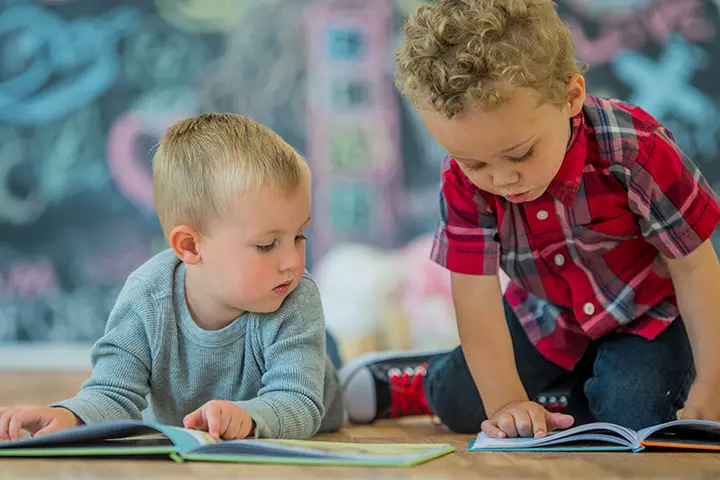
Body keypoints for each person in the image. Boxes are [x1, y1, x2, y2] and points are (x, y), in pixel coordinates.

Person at [341, 0, 720, 439]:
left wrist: (713, 381)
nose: (501, 179)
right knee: (463, 406)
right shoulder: (463, 182)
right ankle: (426, 382)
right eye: (474, 163)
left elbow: (694, 265)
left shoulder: (634, 149)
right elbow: (477, 298)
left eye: (520, 154)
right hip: (547, 314)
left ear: (571, 97)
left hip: (649, 314)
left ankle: (581, 395)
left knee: (629, 421)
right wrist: (505, 404)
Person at [0, 113, 345, 441]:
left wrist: (250, 417)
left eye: (299, 236)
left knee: (358, 391)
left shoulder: (295, 296)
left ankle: (353, 366)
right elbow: (112, 393)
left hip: (325, 397)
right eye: (268, 244)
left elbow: (299, 401)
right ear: (191, 246)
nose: (291, 262)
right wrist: (66, 416)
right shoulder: (146, 298)